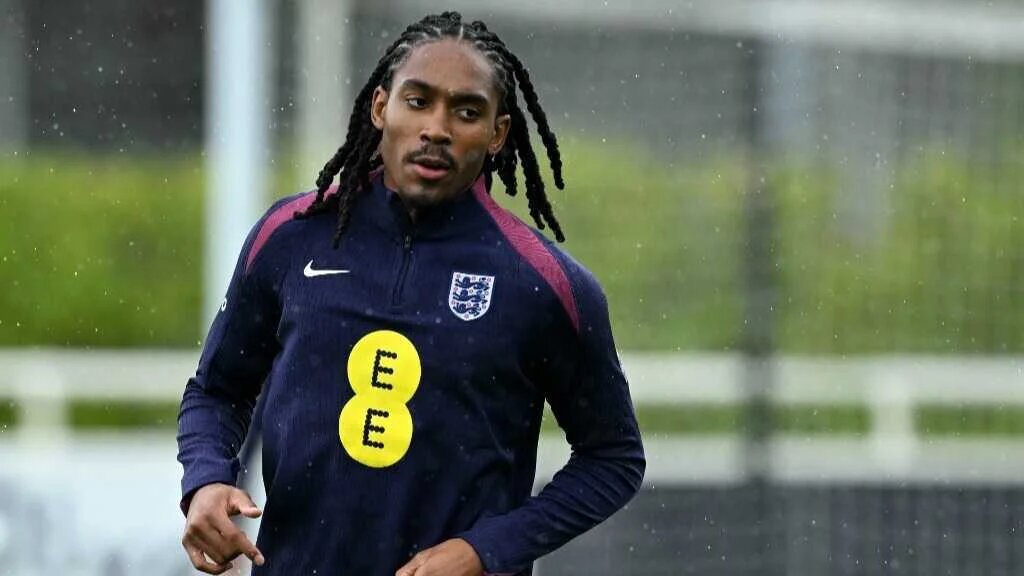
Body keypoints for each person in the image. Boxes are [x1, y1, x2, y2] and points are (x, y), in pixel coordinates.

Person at [177, 11, 645, 576]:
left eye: (466, 111)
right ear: (381, 107)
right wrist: (204, 481)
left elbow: (612, 458)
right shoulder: (292, 236)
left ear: (498, 134)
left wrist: (485, 550)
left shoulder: (545, 284)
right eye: (417, 101)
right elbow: (218, 389)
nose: (437, 128)